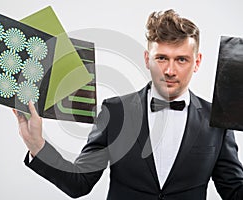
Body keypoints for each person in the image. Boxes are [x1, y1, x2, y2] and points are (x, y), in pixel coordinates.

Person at [13, 9, 243, 199]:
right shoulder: (115, 112)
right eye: (161, 58)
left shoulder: (217, 120)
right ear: (147, 59)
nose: (170, 71)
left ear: (197, 62)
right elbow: (79, 183)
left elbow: (234, 191)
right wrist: (37, 145)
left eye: (181, 59)